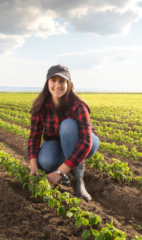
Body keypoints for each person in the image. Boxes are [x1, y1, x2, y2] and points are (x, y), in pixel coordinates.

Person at [28, 64, 100, 201]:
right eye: (53, 80)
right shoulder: (40, 106)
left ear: (68, 84)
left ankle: (77, 180)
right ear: (47, 83)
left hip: (85, 141)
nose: (57, 85)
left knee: (67, 125)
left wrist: (58, 173)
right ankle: (66, 170)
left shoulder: (78, 105)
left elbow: (85, 142)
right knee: (46, 161)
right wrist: (33, 167)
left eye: (62, 81)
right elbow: (34, 137)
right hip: (57, 142)